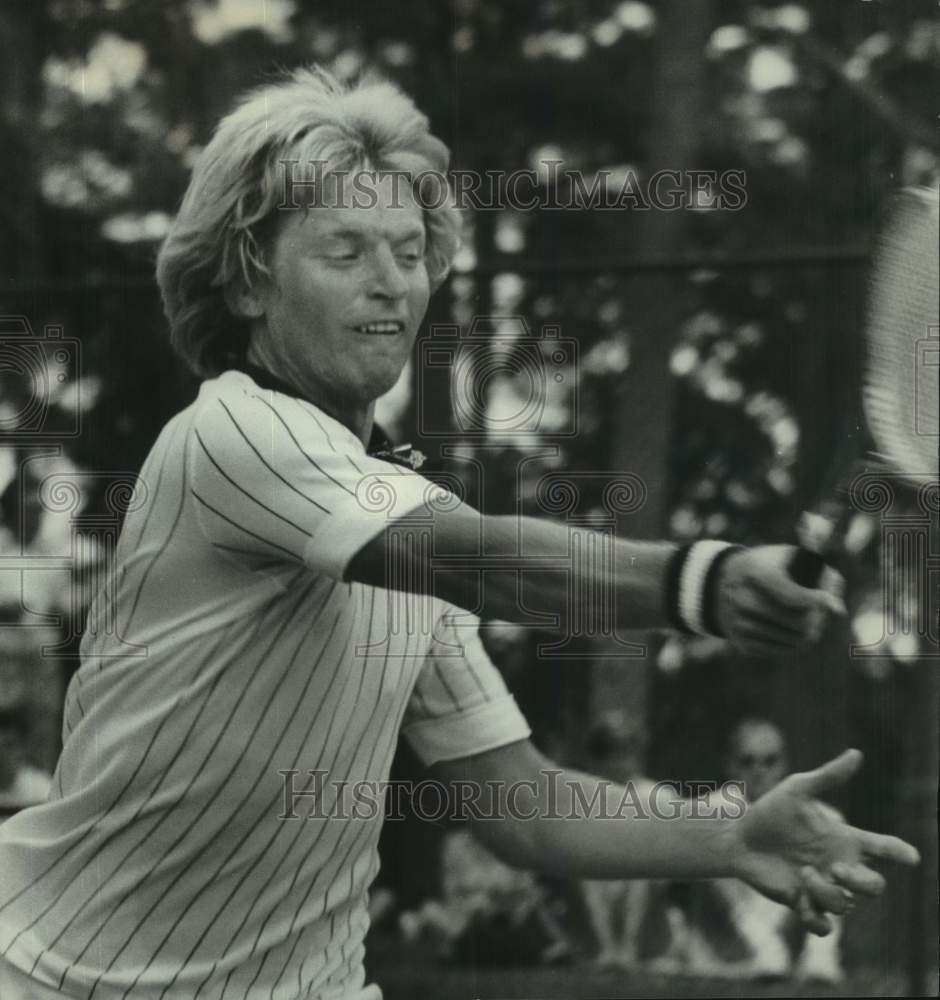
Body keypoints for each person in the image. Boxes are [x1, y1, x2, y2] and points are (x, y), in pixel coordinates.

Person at [0, 67, 918, 1000]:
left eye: (409, 251)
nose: (391, 283)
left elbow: (521, 804)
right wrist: (703, 580)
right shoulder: (232, 436)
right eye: (346, 251)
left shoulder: (397, 506)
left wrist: (730, 836)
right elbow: (482, 559)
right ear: (247, 283)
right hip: (64, 979)